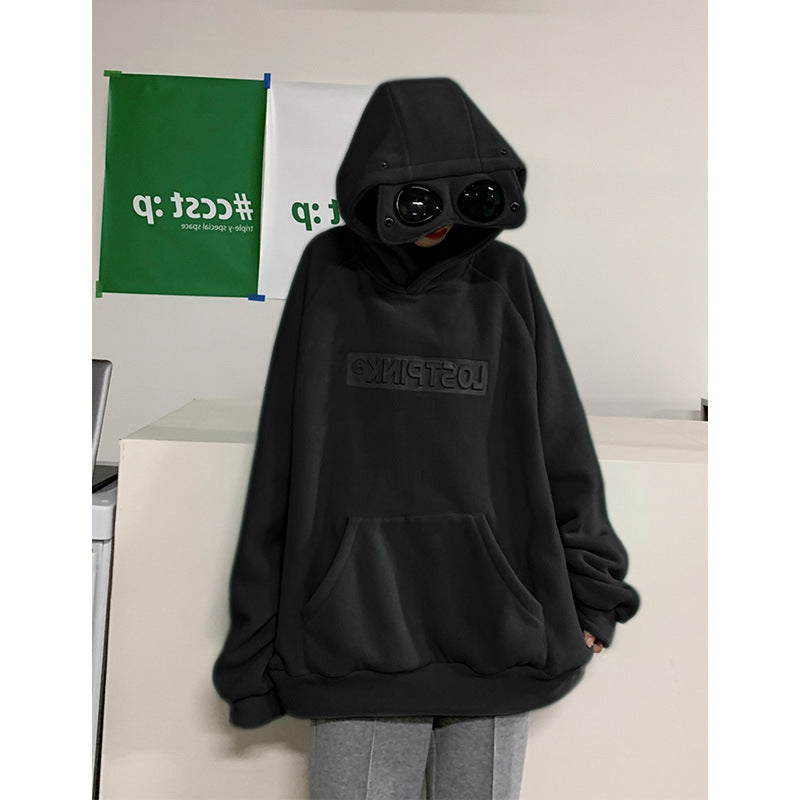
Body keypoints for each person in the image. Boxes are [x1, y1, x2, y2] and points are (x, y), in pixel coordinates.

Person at [213, 77, 641, 800]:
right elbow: (283, 455)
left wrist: (592, 591)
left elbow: (560, 441)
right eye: (416, 199)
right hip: (352, 640)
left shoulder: (504, 278)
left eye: (463, 194)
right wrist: (255, 641)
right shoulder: (331, 271)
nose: (437, 221)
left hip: (497, 633)